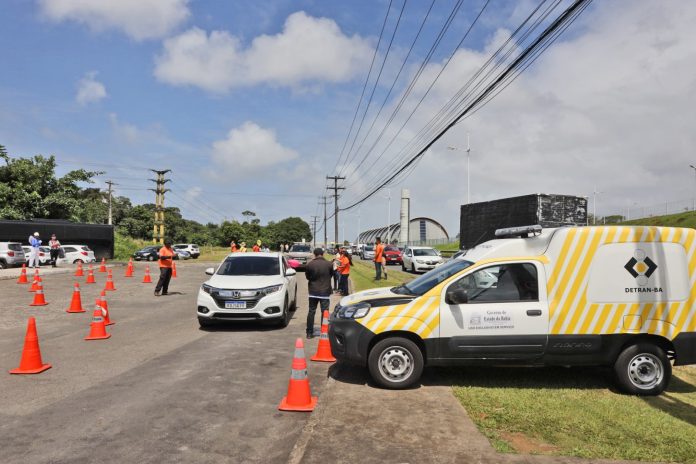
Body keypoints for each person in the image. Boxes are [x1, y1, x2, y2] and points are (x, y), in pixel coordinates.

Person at [305, 248, 334, 339]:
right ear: (323, 254)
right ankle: (324, 332)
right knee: (325, 312)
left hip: (313, 292)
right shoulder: (329, 264)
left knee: (311, 311)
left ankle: (309, 333)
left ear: (314, 254)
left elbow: (307, 277)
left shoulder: (310, 264)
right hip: (325, 292)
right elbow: (331, 275)